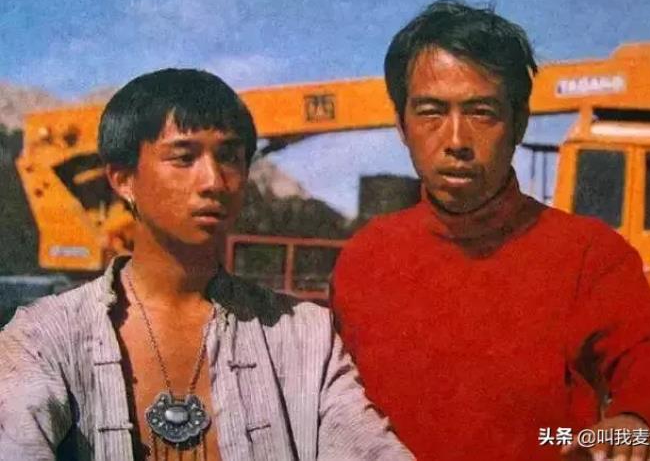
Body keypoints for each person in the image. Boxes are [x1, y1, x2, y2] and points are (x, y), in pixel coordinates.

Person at [331, 0, 650, 461]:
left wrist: (636, 420)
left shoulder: (589, 254)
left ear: (519, 122)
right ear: (401, 124)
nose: (456, 141)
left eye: (481, 112)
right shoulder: (364, 259)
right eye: (431, 112)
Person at [0, 68, 413, 461]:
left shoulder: (306, 337)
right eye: (184, 158)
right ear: (123, 180)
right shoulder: (42, 339)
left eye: (230, 157)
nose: (214, 181)